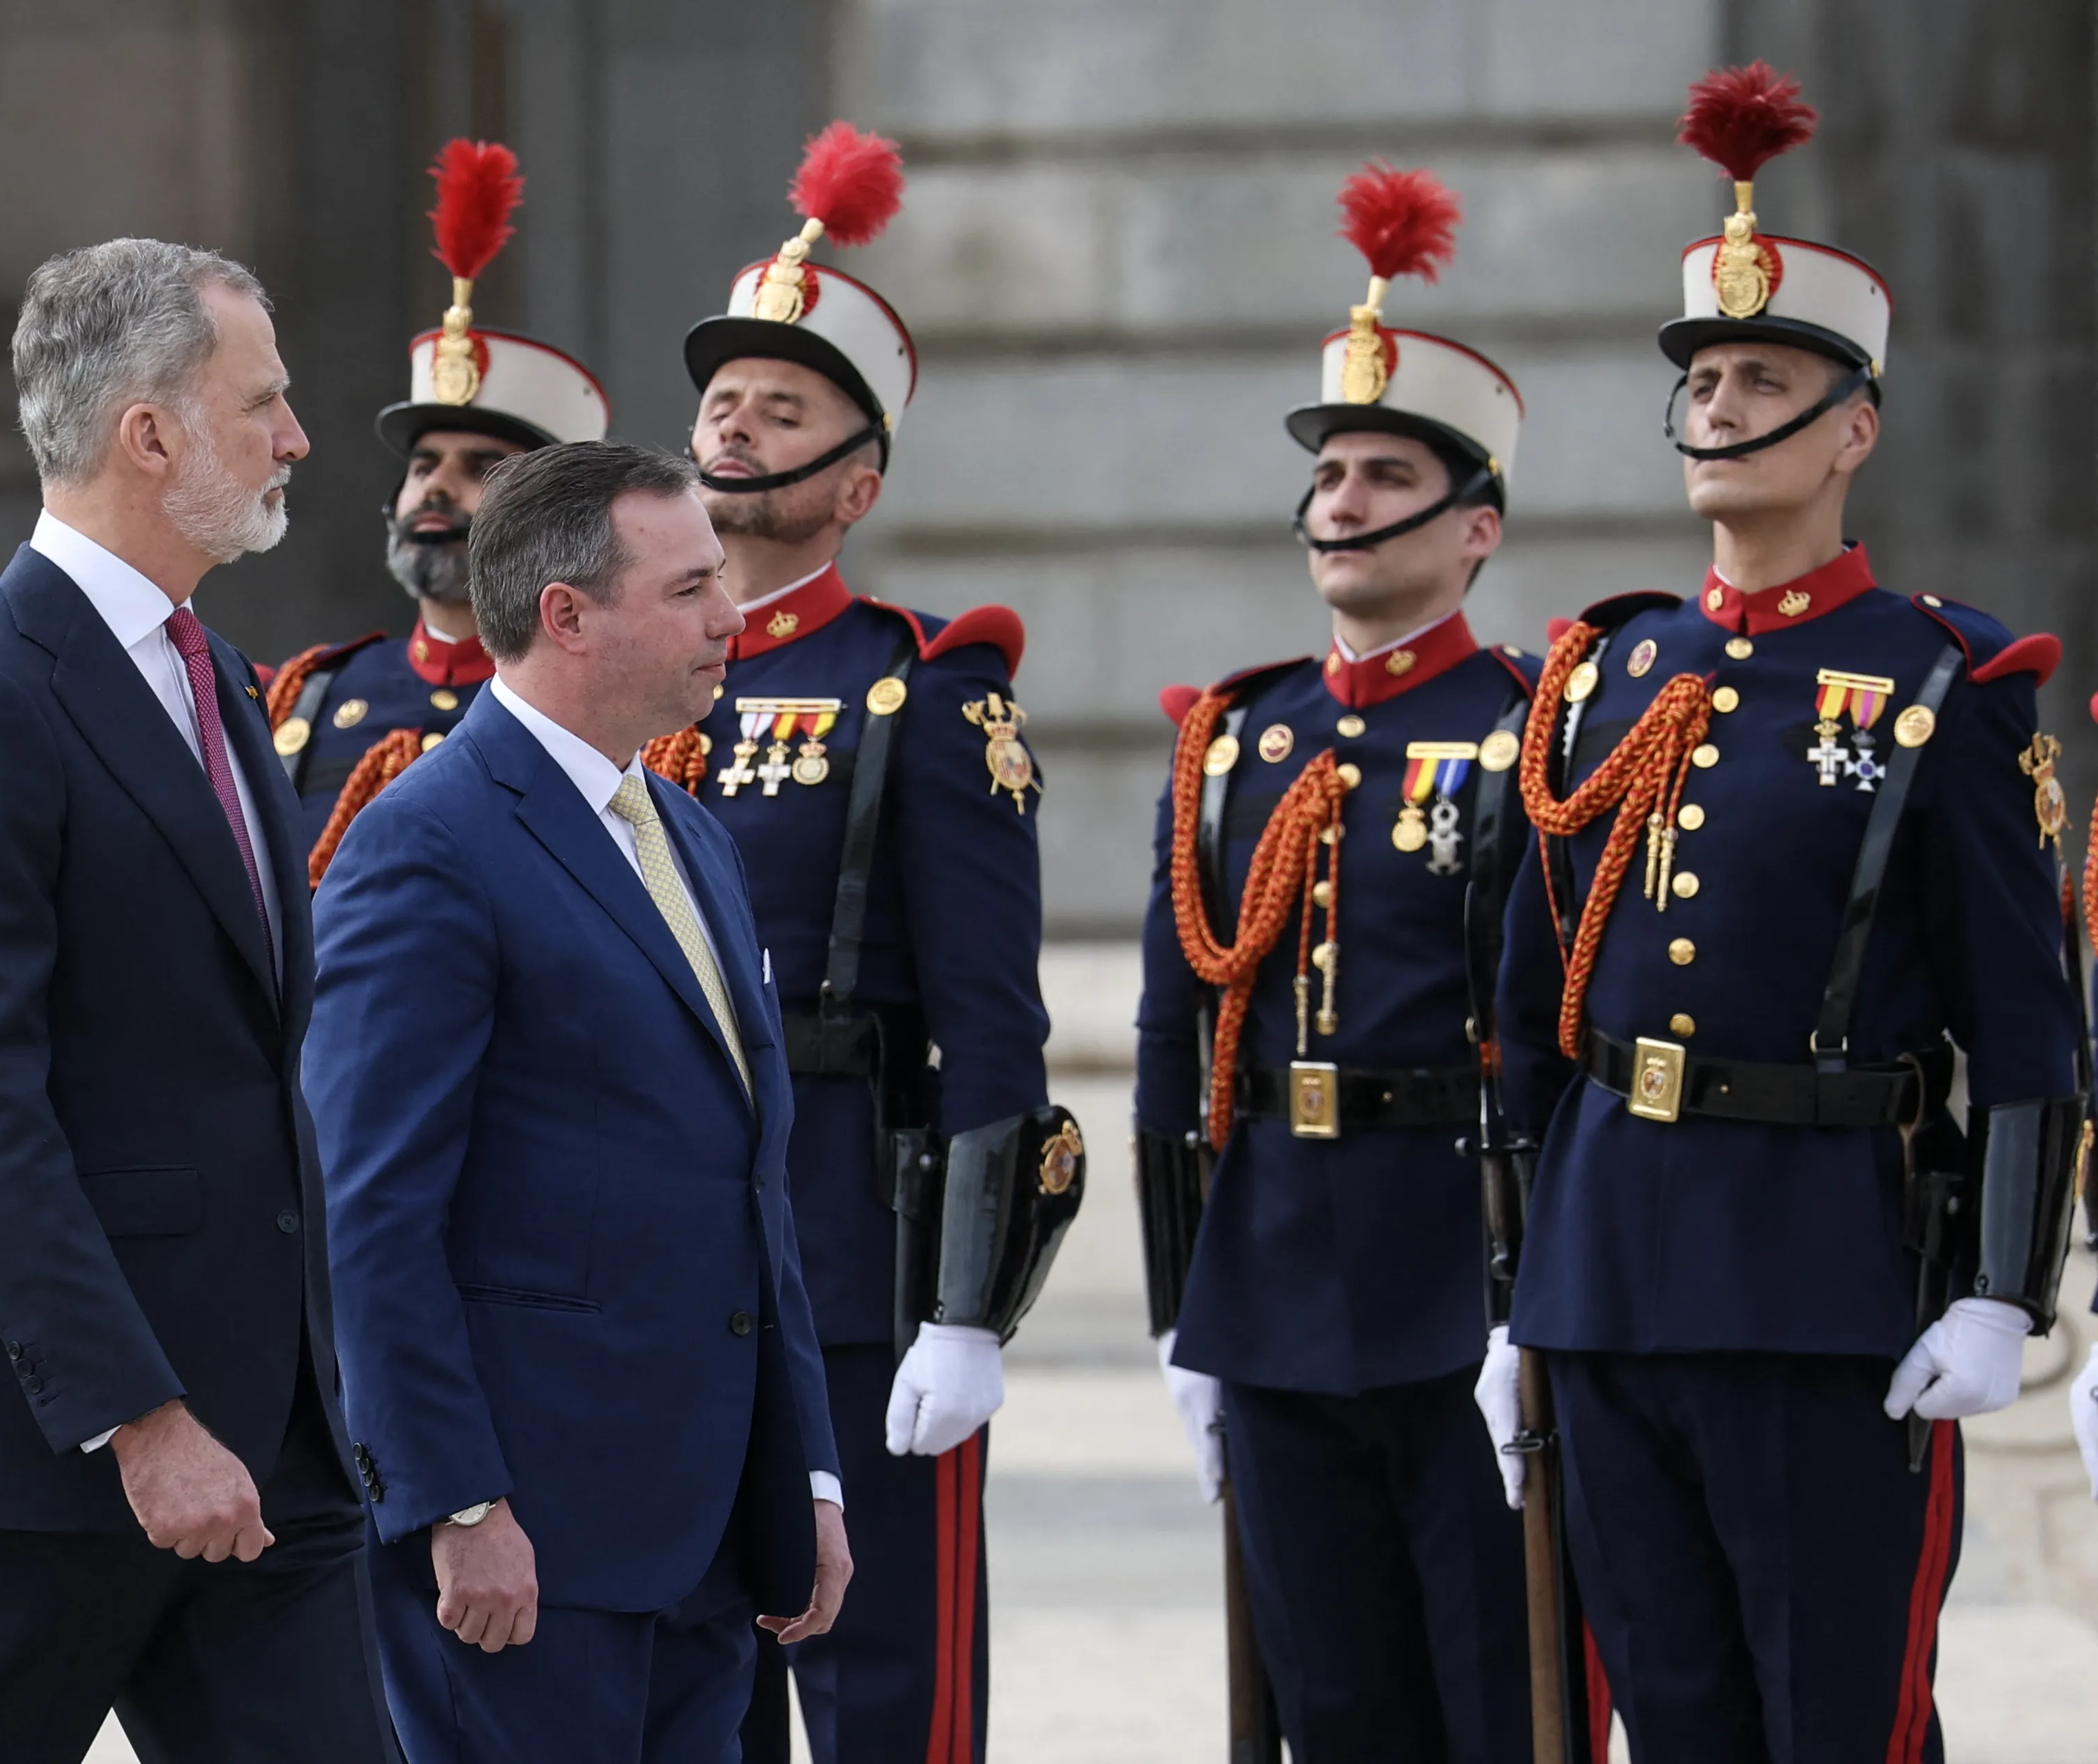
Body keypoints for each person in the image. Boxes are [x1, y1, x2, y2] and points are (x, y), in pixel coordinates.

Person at [1487, 65, 2081, 1761]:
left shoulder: (1935, 683)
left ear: (1850, 426)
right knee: (1671, 1712)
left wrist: (1997, 1290)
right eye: (1704, 376)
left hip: (1827, 1271)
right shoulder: (1602, 678)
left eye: (1764, 376)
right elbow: (1533, 1014)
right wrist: (1512, 1280)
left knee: (1837, 1715)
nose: (1722, 403)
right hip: (1606, 1273)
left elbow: (2026, 1022)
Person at [0, 238, 391, 1763]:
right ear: (151, 434)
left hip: (269, 1440)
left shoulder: (210, 672)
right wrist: (138, 1413)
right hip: (41, 1457)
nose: (296, 436)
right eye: (262, 401)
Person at [305, 441, 849, 1762]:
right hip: (525, 1544)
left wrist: (809, 1475)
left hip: (706, 1531)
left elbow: (745, 1186)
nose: (732, 617)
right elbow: (368, 1208)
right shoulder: (428, 839)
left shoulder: (678, 825)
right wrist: (452, 1501)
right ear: (569, 616)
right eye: (690, 588)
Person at [657, 120, 1084, 1764]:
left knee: (879, 1672)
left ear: (856, 481)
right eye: (718, 403)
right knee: (692, 1668)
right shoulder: (625, 687)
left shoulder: (921, 690)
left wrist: (969, 1306)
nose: (734, 427)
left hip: (849, 1242)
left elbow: (992, 1026)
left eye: (783, 409)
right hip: (658, 1247)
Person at [1135, 163, 1538, 1761]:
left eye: (1387, 474)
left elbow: (1554, 1028)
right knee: (1330, 1700)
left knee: (1490, 1686)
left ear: (1474, 527)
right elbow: (1178, 1040)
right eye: (1331, 474)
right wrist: (1185, 1310)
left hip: (1457, 1251)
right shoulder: (1238, 739)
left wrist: (1537, 1294)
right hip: (1274, 1269)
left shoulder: (1526, 730)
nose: (1345, 501)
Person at [266, 138, 607, 884]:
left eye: (481, 467)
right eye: (423, 466)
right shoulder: (313, 693)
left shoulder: (601, 705)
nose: (436, 488)